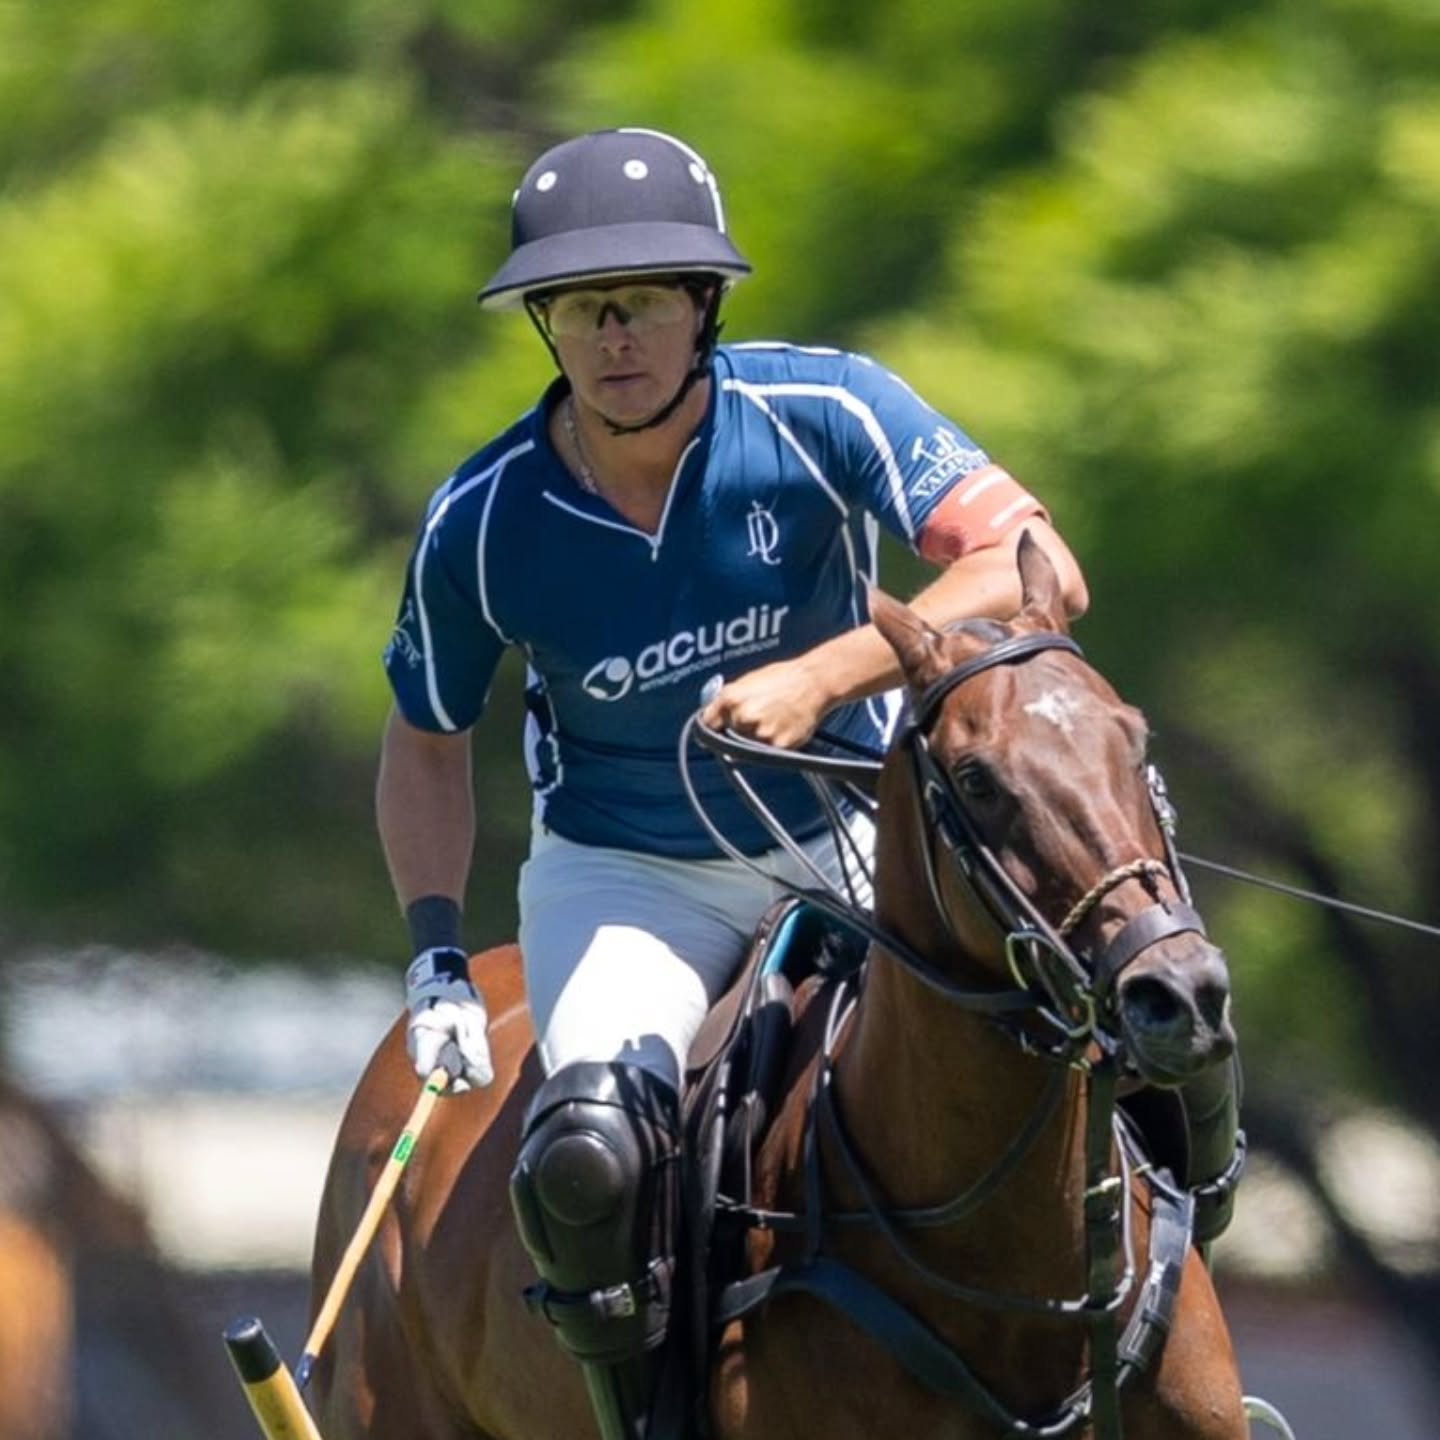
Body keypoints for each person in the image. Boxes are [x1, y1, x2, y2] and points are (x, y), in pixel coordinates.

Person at [378, 127, 1088, 1440]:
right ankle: (653, 1417)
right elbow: (424, 734)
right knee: (588, 1152)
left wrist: (828, 675)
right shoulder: (483, 520)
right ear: (545, 325)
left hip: (863, 833)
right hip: (633, 876)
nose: (615, 336)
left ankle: (1158, 1372)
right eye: (581, 309)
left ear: (703, 306)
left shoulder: (826, 408)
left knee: (1102, 1011)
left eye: (642, 300)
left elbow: (1033, 556)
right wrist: (434, 958)